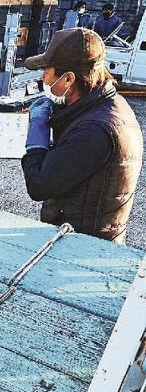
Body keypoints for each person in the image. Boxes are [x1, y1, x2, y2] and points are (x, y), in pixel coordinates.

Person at [21, 28, 142, 244]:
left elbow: (39, 185)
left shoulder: (94, 130)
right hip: (83, 232)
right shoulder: (105, 105)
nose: (43, 78)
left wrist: (36, 143)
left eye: (47, 71)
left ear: (68, 79)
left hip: (83, 243)